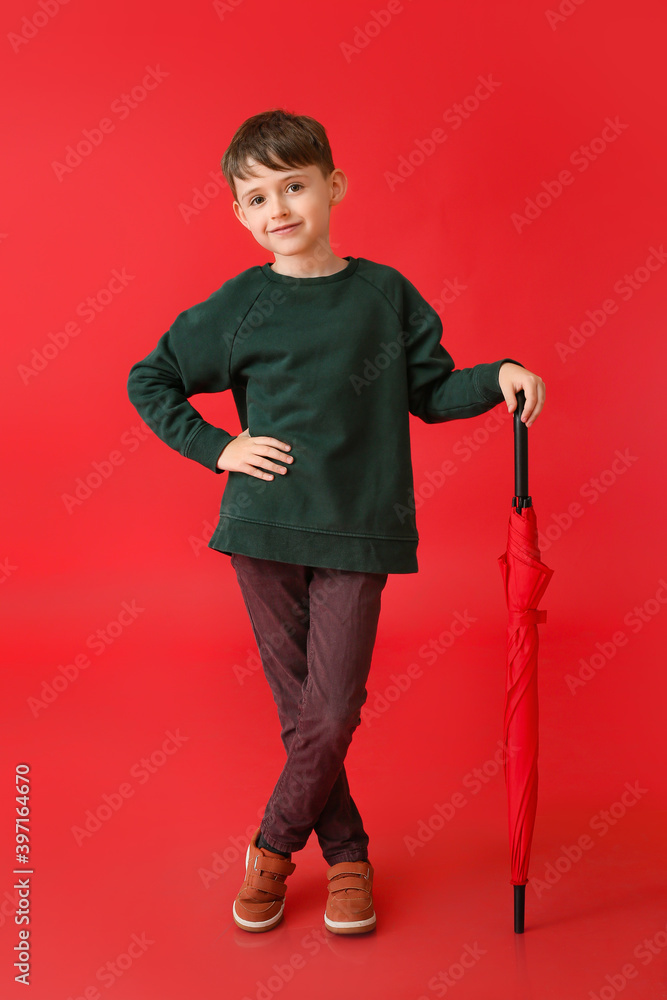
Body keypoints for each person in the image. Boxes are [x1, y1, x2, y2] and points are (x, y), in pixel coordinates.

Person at [126, 107, 546, 937]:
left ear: (333, 186)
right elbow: (153, 378)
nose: (278, 208)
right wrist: (218, 450)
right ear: (239, 215)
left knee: (329, 710)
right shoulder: (241, 305)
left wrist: (497, 374)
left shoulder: (382, 294)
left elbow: (427, 392)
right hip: (263, 531)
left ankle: (272, 849)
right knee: (303, 716)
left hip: (359, 526)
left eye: (293, 186)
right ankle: (349, 858)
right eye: (256, 198)